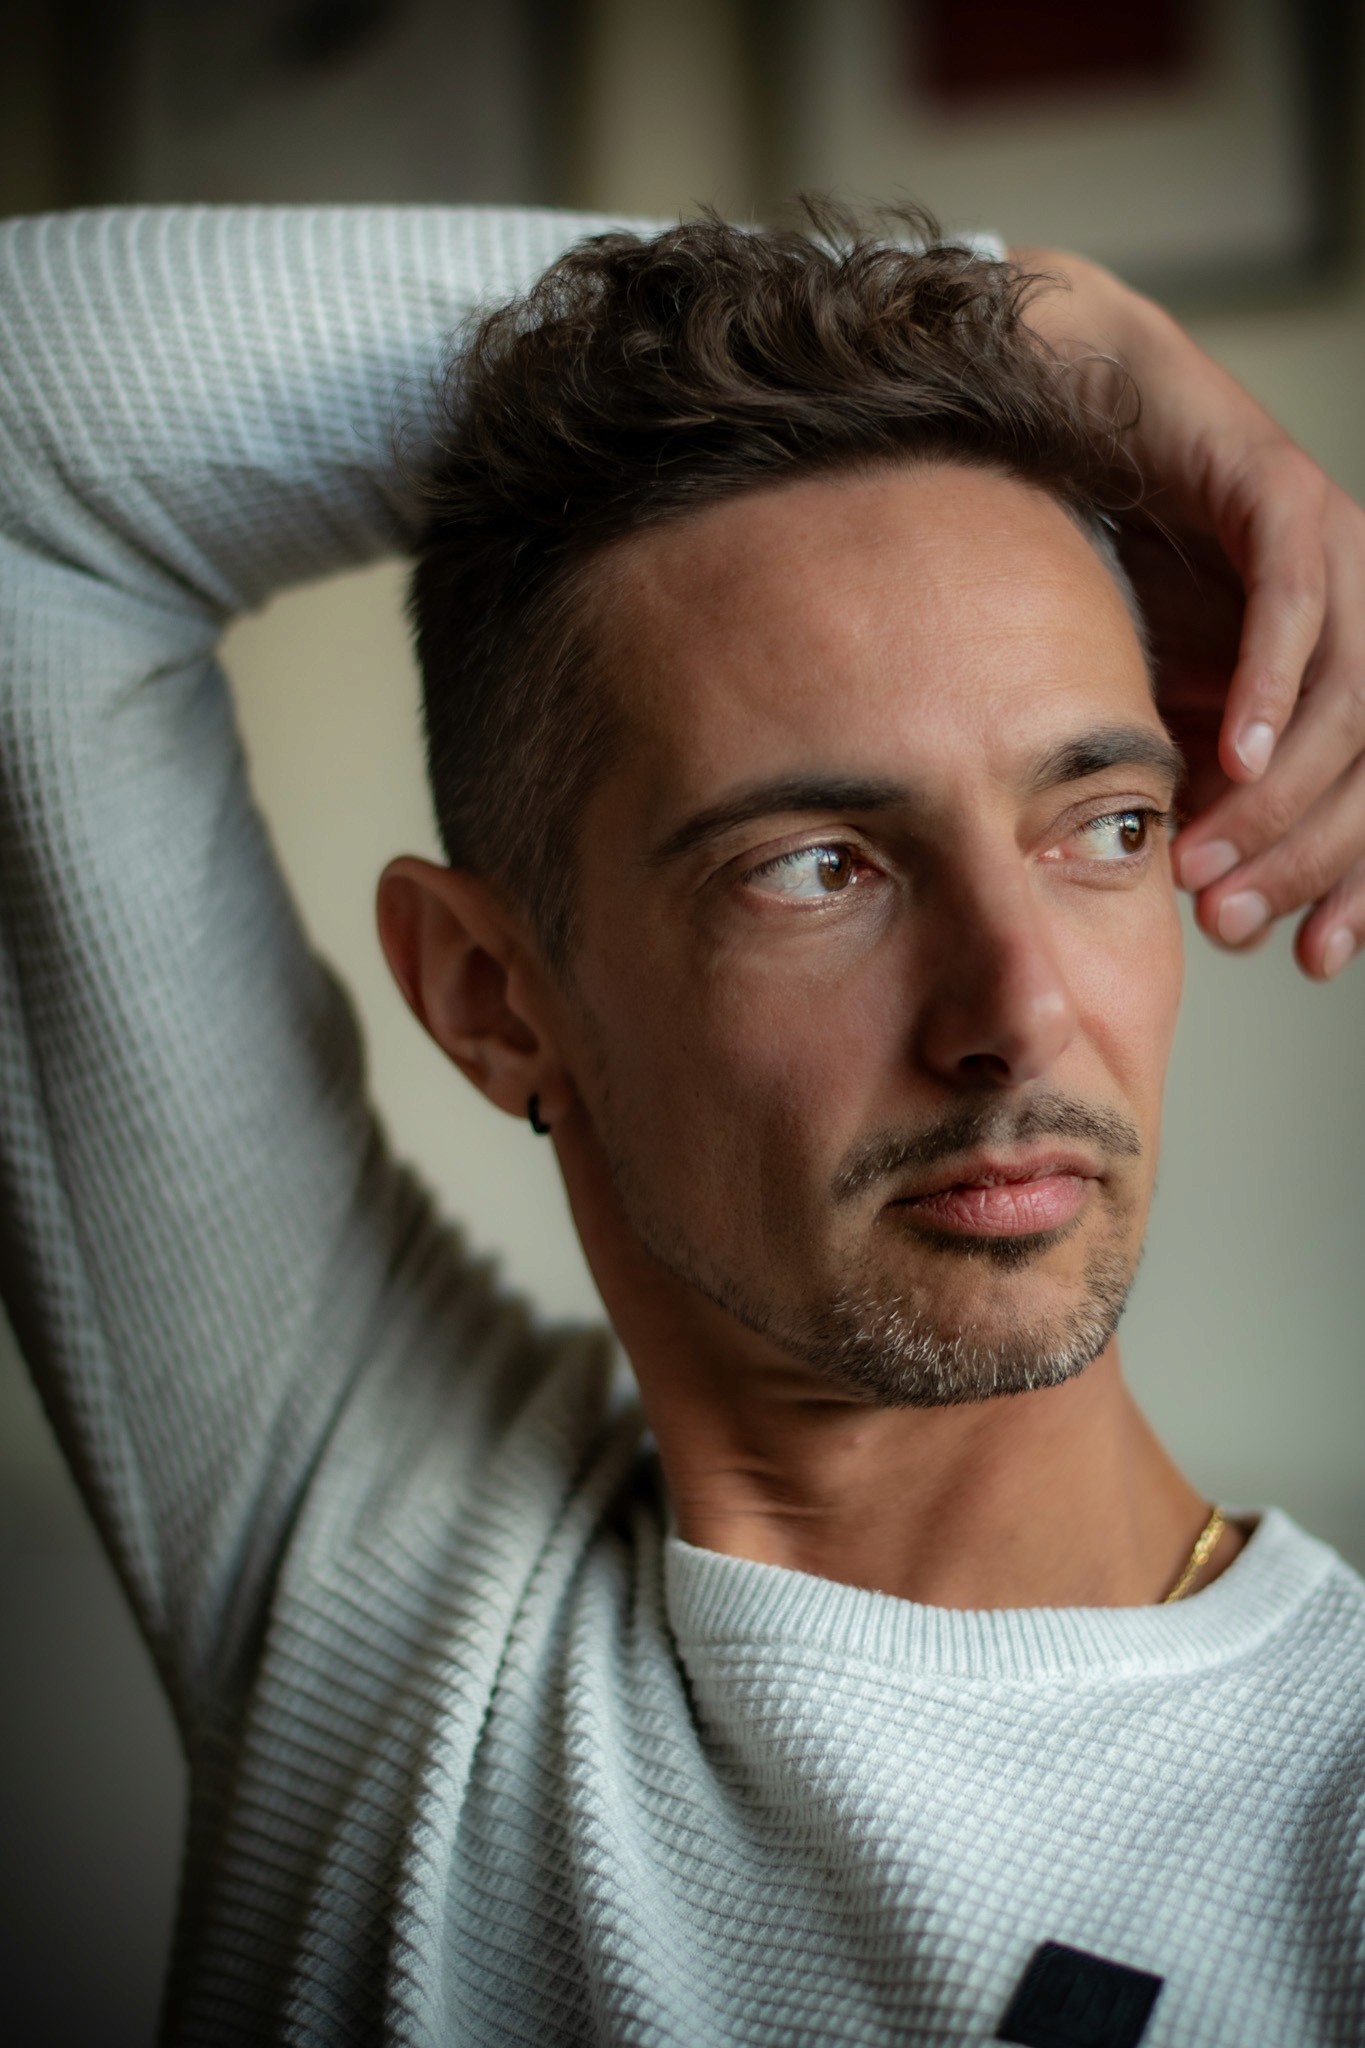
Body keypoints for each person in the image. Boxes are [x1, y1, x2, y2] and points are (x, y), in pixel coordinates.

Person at [1, 202, 1363, 2048]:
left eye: (1101, 826)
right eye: (816, 866)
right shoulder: (377, 1562)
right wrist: (1069, 331)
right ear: (494, 998)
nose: (1022, 1014)